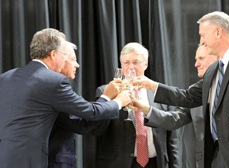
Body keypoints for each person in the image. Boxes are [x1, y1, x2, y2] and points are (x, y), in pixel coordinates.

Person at [133, 11, 229, 168]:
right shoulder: (213, 70)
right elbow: (188, 97)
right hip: (216, 157)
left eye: (203, 35)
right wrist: (152, 85)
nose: (201, 41)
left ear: (218, 32)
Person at [0, 28, 131, 168]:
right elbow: (91, 113)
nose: (73, 62)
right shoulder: (53, 81)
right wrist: (118, 101)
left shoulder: (5, 77)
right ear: (54, 54)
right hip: (33, 161)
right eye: (65, 55)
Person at [91, 42, 179, 168]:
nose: (130, 67)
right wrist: (111, 102)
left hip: (155, 163)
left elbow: (172, 137)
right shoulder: (107, 91)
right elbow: (97, 130)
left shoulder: (159, 92)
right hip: (119, 163)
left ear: (146, 64)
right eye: (126, 63)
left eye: (135, 62)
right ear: (121, 65)